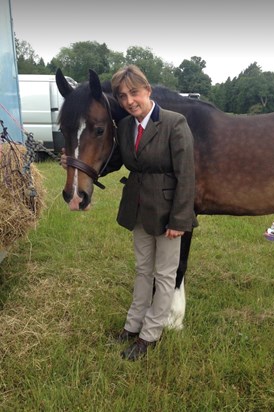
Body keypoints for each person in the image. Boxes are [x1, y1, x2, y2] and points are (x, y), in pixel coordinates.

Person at [62, 65, 196, 361]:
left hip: (167, 212)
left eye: (134, 93)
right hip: (136, 207)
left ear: (147, 90)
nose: (129, 101)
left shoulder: (175, 123)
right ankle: (132, 325)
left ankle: (150, 334)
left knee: (163, 276)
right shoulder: (124, 127)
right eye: (123, 96)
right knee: (142, 271)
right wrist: (76, 166)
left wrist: (180, 220)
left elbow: (187, 176)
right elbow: (112, 159)